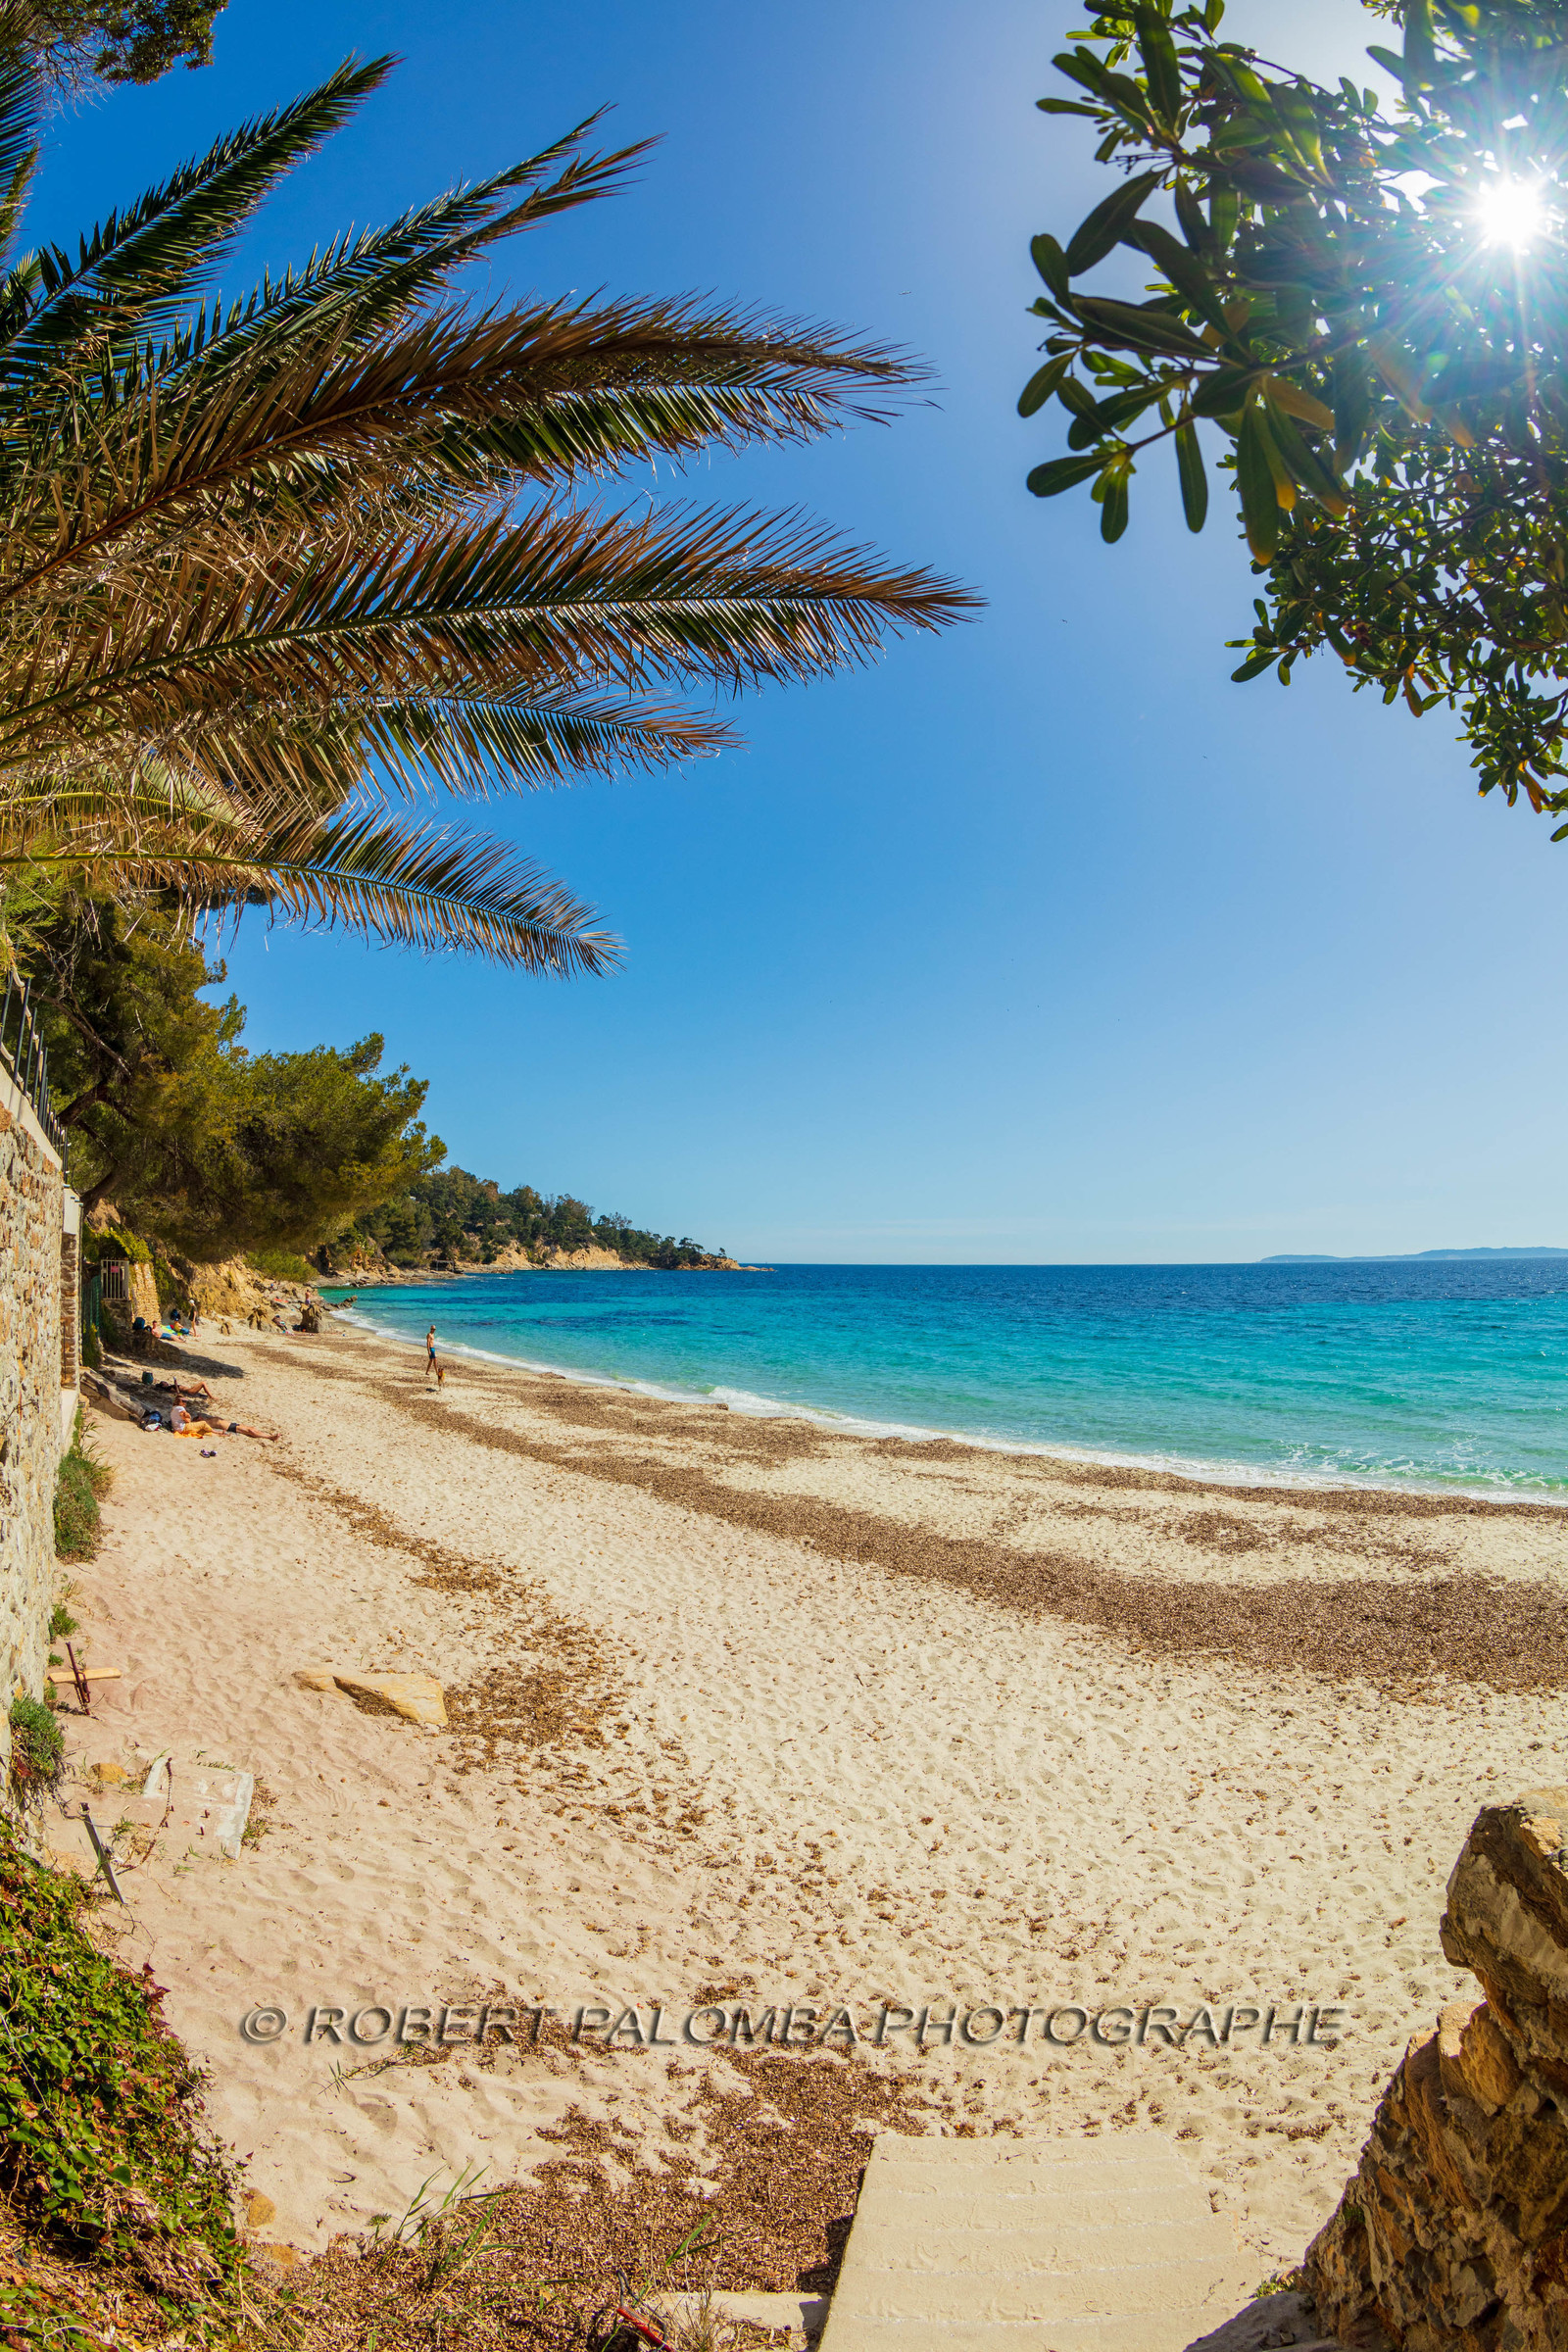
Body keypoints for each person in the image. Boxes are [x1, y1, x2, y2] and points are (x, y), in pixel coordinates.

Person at [169, 1399, 278, 1443]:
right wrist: (217, 1433)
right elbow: (190, 1422)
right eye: (197, 1418)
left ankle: (268, 1435)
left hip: (232, 1423)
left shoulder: (204, 1420)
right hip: (230, 1427)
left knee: (251, 1428)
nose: (199, 1417)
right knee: (250, 1430)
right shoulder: (200, 1423)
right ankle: (269, 1437)